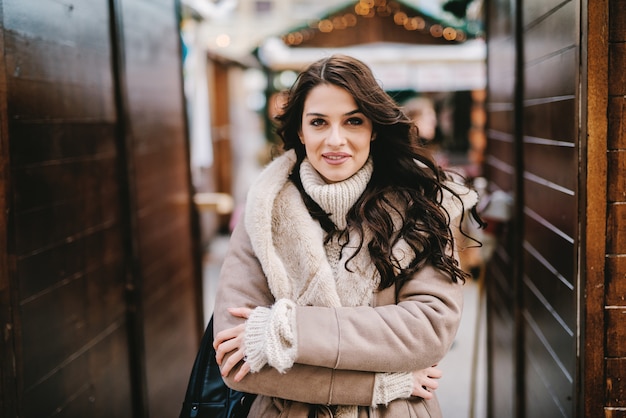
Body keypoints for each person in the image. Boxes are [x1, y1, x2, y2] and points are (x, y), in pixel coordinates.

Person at [212, 54, 480, 417]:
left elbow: (428, 330)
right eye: (319, 122)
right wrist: (383, 383)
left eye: (353, 121)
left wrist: (284, 329)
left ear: (372, 128)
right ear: (301, 132)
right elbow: (236, 362)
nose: (335, 140)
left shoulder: (420, 206)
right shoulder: (262, 213)